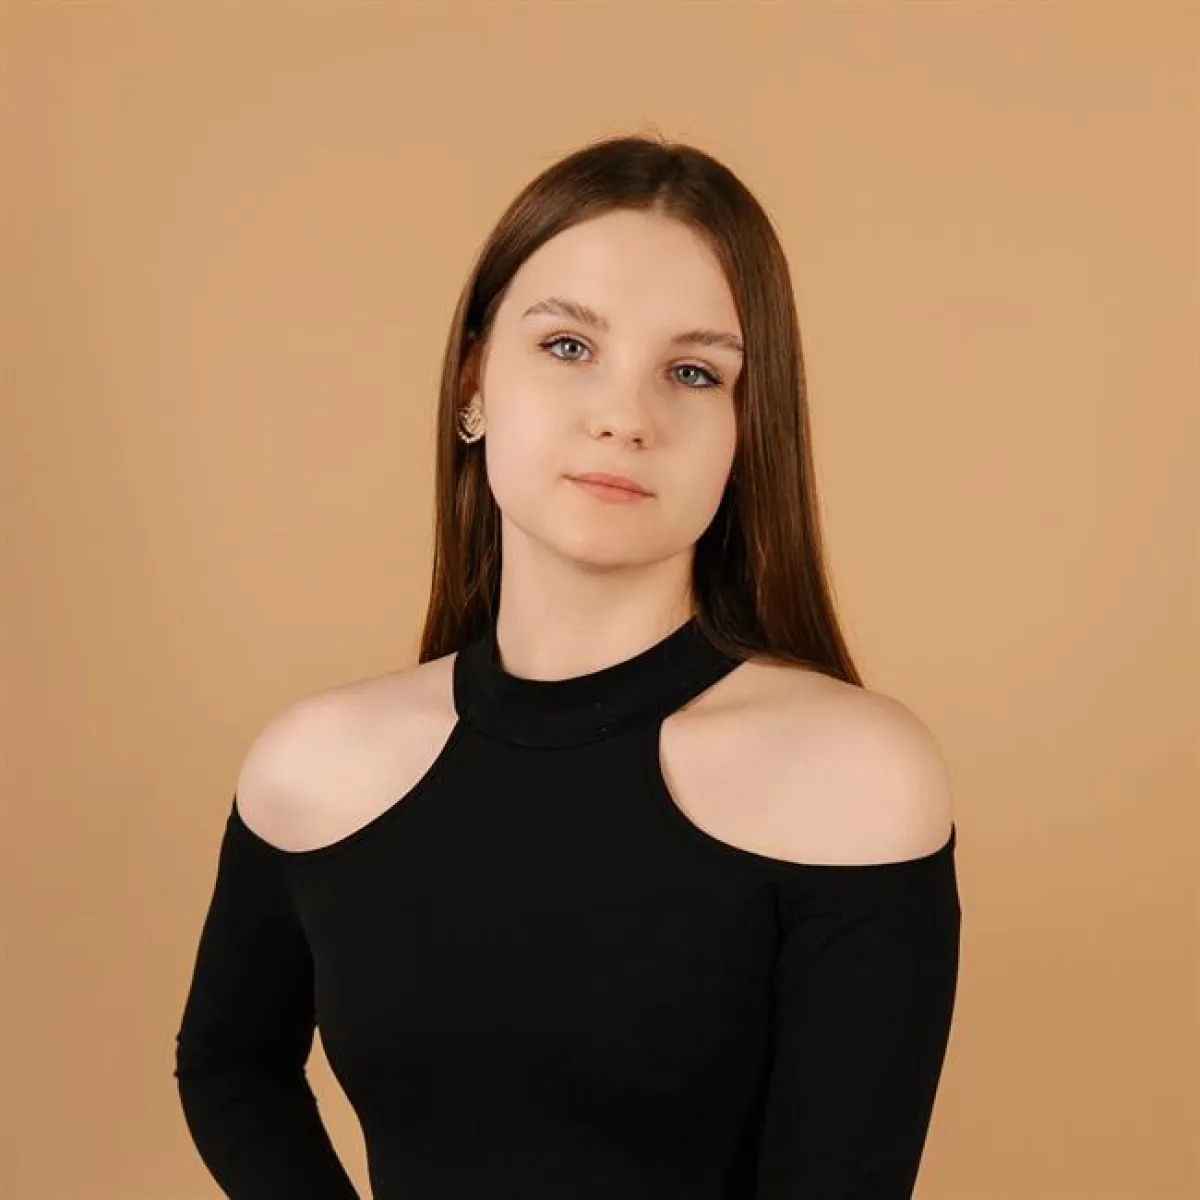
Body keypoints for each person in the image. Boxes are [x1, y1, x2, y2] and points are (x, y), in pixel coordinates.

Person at [173, 131, 961, 1199]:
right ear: (473, 382)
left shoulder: (853, 773)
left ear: (747, 431)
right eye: (567, 346)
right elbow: (230, 1062)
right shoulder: (313, 765)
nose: (624, 417)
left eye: (694, 372)